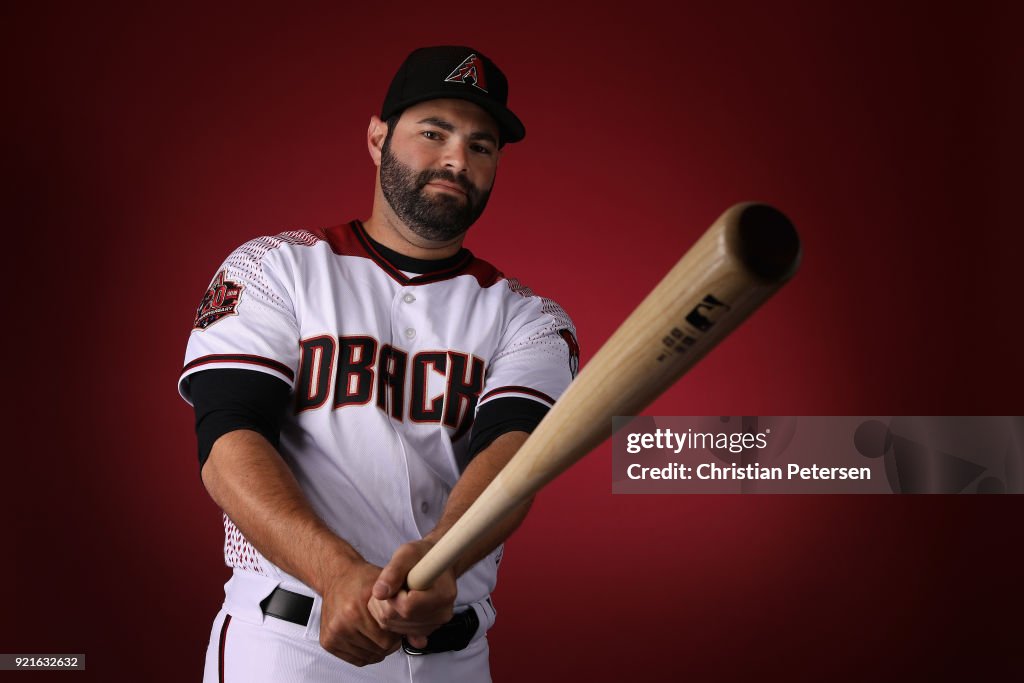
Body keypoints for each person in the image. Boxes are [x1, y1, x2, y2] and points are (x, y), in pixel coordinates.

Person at [177, 45, 579, 682]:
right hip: (290, 643)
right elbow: (229, 437)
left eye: (482, 146)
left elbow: (512, 452)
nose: (457, 159)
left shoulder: (530, 318)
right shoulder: (273, 267)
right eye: (434, 132)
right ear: (377, 137)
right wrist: (334, 569)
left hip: (454, 654)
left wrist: (445, 557)